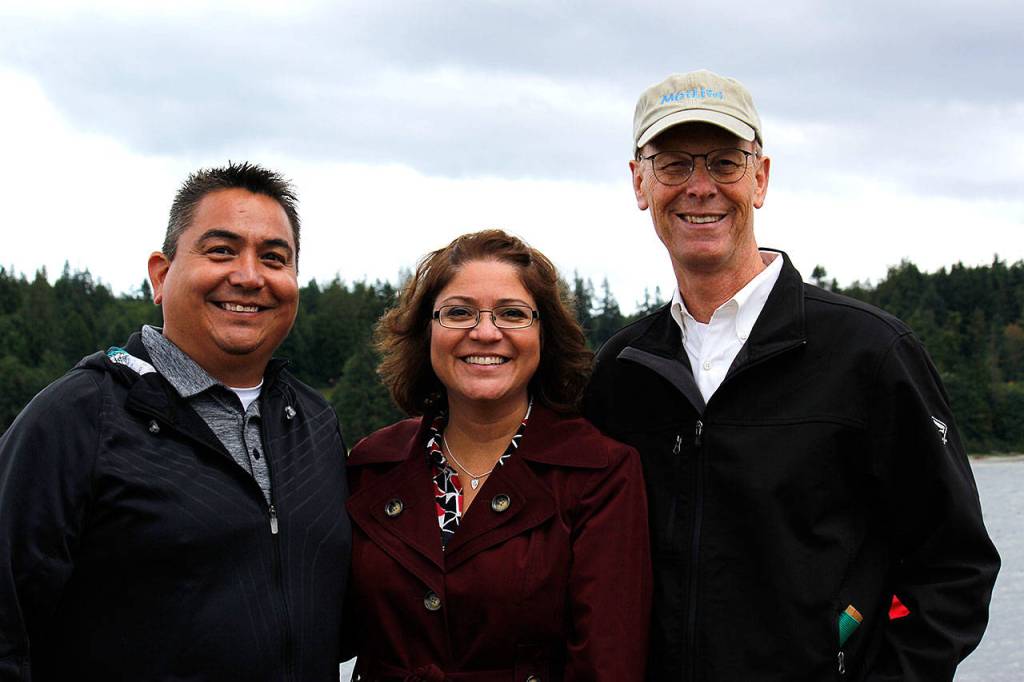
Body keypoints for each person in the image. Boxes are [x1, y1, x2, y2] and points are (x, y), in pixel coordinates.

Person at [584, 70, 1000, 681]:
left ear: (761, 177)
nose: (701, 188)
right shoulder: (621, 372)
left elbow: (955, 565)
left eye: (725, 163)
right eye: (673, 165)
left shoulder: (871, 352)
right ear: (639, 183)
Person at [0, 162, 351, 681]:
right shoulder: (76, 419)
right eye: (221, 251)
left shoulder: (316, 422)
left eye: (274, 258)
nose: (250, 276)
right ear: (161, 275)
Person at [345, 229, 651, 680]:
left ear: (544, 335)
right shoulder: (373, 465)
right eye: (458, 313)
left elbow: (608, 664)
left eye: (511, 313)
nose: (485, 332)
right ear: (426, 331)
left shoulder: (601, 473)